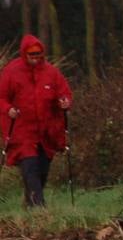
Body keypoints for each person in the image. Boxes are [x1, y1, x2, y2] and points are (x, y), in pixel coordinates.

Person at [0, 35, 73, 209]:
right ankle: (39, 208)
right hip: (22, 130)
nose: (35, 57)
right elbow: (1, 97)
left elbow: (64, 93)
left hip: (46, 132)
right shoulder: (11, 72)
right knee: (30, 166)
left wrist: (64, 102)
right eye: (31, 54)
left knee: (42, 171)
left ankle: (29, 202)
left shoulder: (51, 73)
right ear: (24, 53)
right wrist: (8, 109)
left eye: (38, 54)